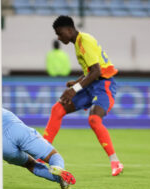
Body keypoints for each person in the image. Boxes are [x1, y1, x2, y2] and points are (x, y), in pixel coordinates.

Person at [43, 16, 123, 176]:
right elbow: (90, 71)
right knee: (58, 109)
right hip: (91, 85)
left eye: (60, 33)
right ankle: (41, 151)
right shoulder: (79, 43)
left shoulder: (84, 41)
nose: (59, 37)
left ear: (69, 30)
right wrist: (77, 82)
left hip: (103, 85)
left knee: (94, 119)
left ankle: (115, 161)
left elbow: (97, 72)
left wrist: (74, 90)